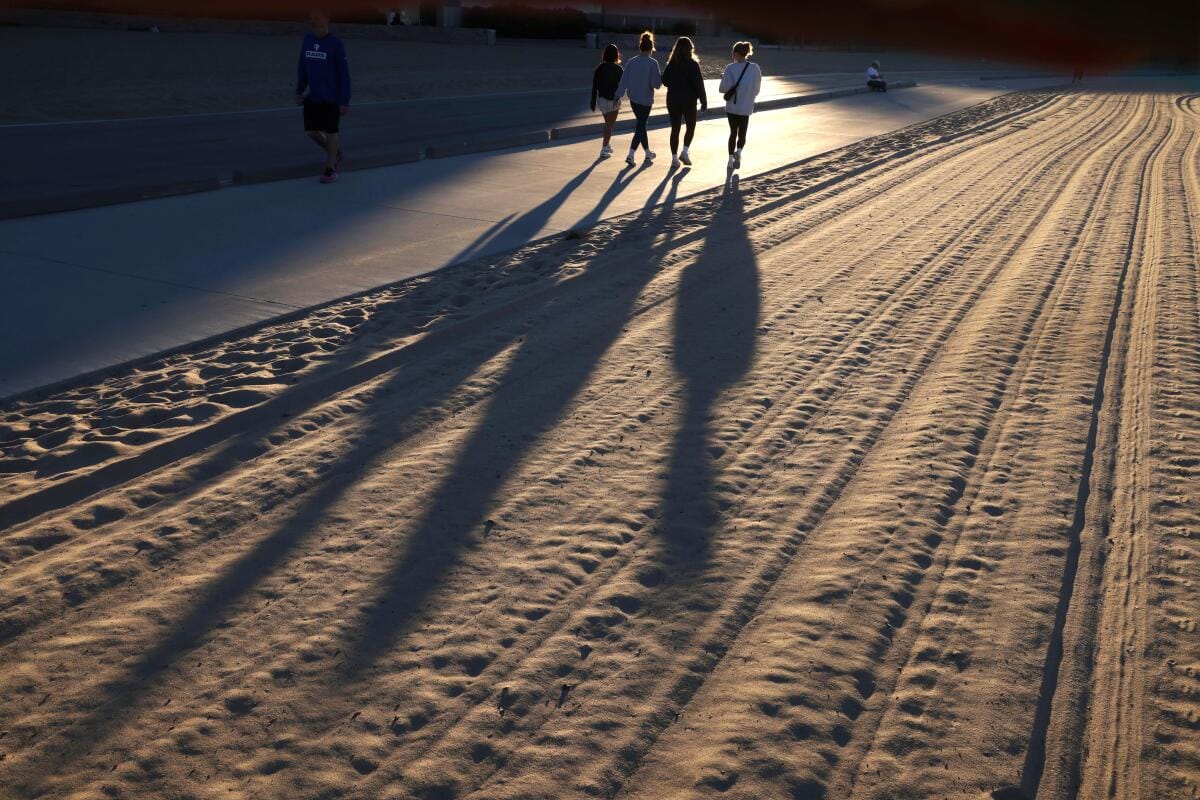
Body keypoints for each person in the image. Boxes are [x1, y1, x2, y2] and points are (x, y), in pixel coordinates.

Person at [295, 9, 351, 184]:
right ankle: (336, 154)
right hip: (313, 96)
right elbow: (302, 67)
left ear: (327, 19)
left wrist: (344, 101)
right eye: (311, 18)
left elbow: (344, 74)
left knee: (331, 131)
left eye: (317, 17)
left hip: (332, 98)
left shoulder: (335, 43)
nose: (313, 21)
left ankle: (331, 168)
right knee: (311, 131)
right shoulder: (307, 40)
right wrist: (299, 90)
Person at [616, 31, 662, 166]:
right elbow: (656, 85)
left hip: (634, 99)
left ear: (640, 47)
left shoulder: (631, 61)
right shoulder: (653, 63)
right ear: (651, 48)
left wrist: (618, 96)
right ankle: (631, 154)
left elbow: (623, 81)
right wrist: (660, 77)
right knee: (641, 125)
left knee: (641, 124)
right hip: (646, 100)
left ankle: (648, 153)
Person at [661, 36, 707, 168]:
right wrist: (703, 101)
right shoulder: (693, 65)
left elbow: (664, 81)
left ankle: (674, 159)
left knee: (675, 129)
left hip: (673, 100)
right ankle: (685, 152)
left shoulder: (672, 64)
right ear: (689, 49)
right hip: (689, 101)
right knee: (690, 127)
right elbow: (699, 84)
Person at [719, 41, 762, 170]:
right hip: (746, 106)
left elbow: (722, 89)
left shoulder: (730, 68)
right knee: (742, 133)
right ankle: (739, 152)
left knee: (733, 132)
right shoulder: (755, 68)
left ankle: (730, 161)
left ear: (736, 54)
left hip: (732, 106)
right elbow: (757, 89)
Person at [591, 44, 624, 159]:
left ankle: (607, 145)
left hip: (601, 100)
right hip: (613, 100)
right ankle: (604, 149)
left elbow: (595, 86)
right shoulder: (619, 69)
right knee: (609, 126)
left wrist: (593, 102)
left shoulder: (599, 68)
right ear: (616, 55)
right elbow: (622, 86)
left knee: (607, 124)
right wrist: (619, 96)